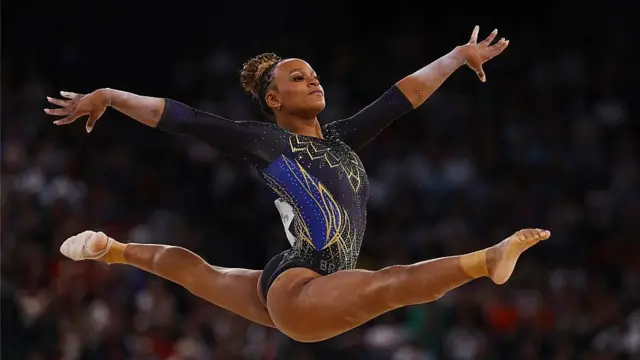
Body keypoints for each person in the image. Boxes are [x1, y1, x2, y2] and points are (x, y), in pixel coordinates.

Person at [46, 26, 550, 343]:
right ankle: (488, 260)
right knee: (388, 284)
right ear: (273, 101)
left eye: (312, 75)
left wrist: (458, 57)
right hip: (300, 283)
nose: (313, 81)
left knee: (195, 271)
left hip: (301, 283)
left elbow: (402, 97)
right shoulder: (265, 141)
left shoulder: (343, 139)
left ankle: (111, 249)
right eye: (296, 79)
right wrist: (110, 95)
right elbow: (182, 118)